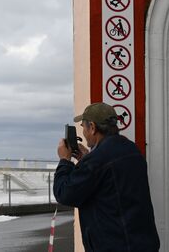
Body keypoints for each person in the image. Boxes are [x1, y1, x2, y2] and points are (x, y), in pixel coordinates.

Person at [53, 102, 160, 251]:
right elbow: (110, 183)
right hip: (142, 243)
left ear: (92, 127)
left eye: (83, 127)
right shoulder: (131, 149)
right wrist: (87, 160)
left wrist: (65, 160)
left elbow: (64, 194)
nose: (83, 132)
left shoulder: (96, 161)